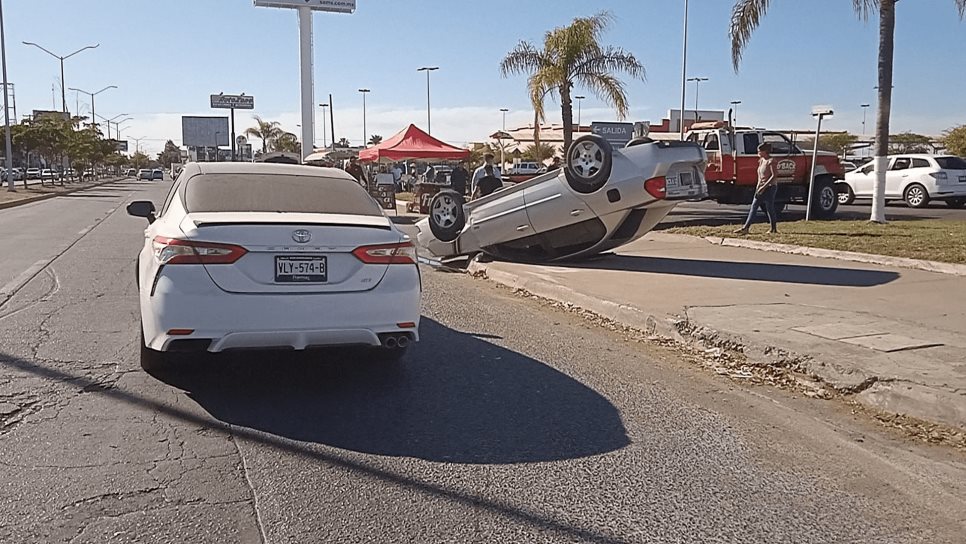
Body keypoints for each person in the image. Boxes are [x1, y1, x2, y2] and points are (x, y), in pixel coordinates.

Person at [735, 143, 779, 234]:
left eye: (760, 151)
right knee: (756, 206)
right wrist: (759, 187)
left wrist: (764, 187)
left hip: (770, 187)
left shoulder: (771, 161)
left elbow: (774, 175)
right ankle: (746, 228)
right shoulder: (761, 160)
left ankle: (772, 228)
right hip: (760, 187)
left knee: (768, 207)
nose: (758, 152)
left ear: (765, 151)